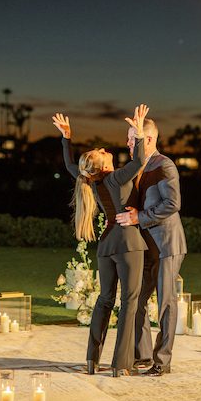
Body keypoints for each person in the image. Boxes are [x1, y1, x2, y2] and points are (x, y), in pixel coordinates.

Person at [52, 104, 150, 377]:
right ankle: (121, 365)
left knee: (105, 300)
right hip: (128, 243)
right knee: (129, 302)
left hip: (106, 246)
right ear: (104, 164)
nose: (107, 151)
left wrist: (66, 139)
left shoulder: (90, 180)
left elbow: (72, 166)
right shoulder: (115, 177)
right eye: (103, 153)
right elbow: (139, 161)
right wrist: (140, 133)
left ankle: (92, 360)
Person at [115, 118, 187, 377]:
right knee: (137, 299)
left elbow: (173, 203)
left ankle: (162, 361)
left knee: (166, 302)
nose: (127, 143)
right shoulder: (135, 167)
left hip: (167, 244)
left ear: (148, 140)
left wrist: (139, 217)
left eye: (132, 138)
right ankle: (142, 355)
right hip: (145, 247)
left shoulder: (164, 165)